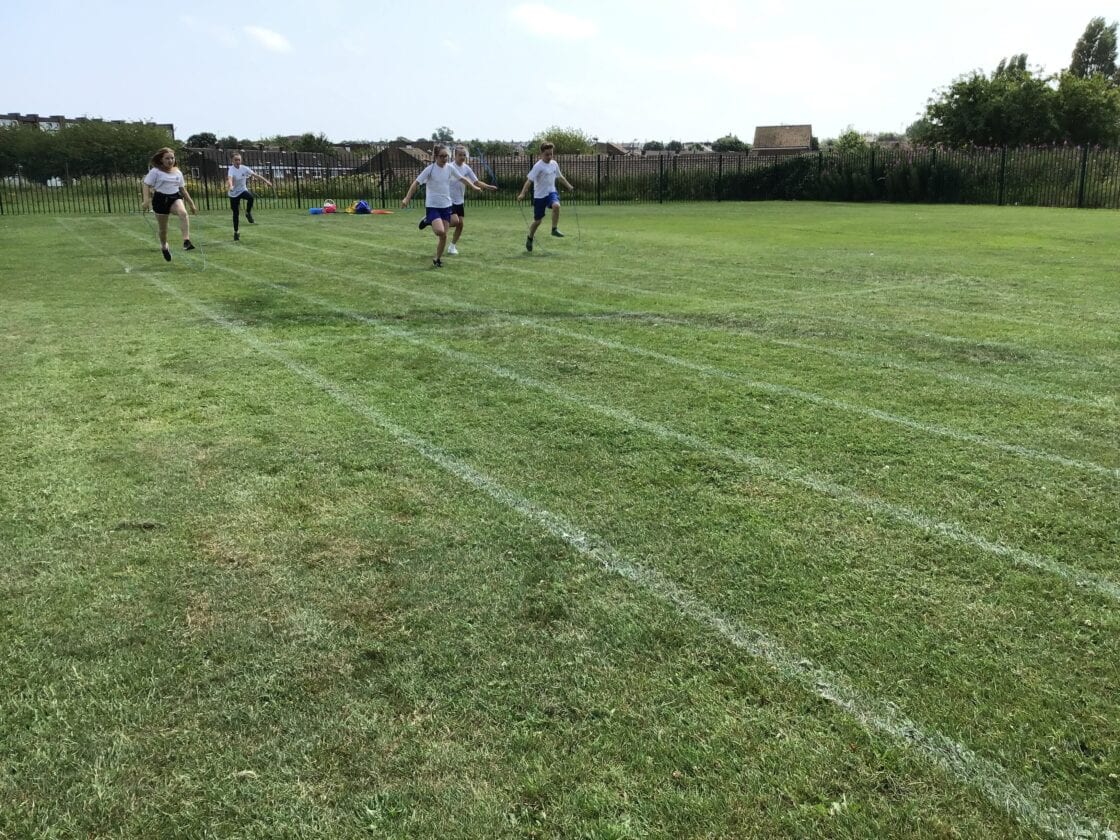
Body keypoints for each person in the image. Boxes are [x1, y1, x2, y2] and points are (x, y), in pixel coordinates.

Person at [400, 145, 485, 268]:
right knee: (440, 231)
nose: (444, 158)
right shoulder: (430, 169)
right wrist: (407, 198)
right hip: (432, 206)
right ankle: (429, 220)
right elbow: (415, 183)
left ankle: (437, 259)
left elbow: (462, 178)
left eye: (446, 156)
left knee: (444, 234)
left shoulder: (450, 168)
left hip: (446, 206)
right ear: (436, 156)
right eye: (442, 156)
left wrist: (474, 187)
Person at [141, 147, 197, 261]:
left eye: (172, 158)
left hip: (174, 197)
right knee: (163, 230)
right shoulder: (155, 171)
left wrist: (191, 204)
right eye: (167, 158)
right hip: (160, 199)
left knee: (183, 213)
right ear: (161, 159)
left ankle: (186, 241)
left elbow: (183, 189)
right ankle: (164, 246)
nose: (170, 160)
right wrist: (146, 201)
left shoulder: (178, 172)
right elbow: (146, 184)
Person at [516, 141, 574, 252]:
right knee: (538, 221)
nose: (549, 156)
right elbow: (529, 181)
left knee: (556, 206)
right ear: (541, 154)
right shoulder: (538, 166)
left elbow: (560, 177)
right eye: (547, 154)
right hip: (539, 196)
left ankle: (554, 229)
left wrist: (569, 186)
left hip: (551, 192)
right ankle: (530, 238)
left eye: (551, 154)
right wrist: (522, 193)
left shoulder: (554, 164)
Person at [445, 145, 498, 255]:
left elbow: (476, 182)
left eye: (464, 155)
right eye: (460, 155)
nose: (462, 157)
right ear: (455, 156)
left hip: (460, 200)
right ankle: (436, 221)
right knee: (455, 221)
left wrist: (489, 187)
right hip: (448, 199)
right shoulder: (449, 167)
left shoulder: (466, 168)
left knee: (460, 224)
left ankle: (452, 247)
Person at [226, 152, 273, 241]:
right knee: (236, 214)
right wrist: (231, 186)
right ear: (232, 161)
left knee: (250, 198)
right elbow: (230, 178)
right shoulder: (231, 169)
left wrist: (266, 181)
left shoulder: (244, 168)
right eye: (236, 160)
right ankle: (236, 232)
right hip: (233, 194)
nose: (238, 161)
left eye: (239, 160)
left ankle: (248, 213)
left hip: (242, 190)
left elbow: (256, 175)